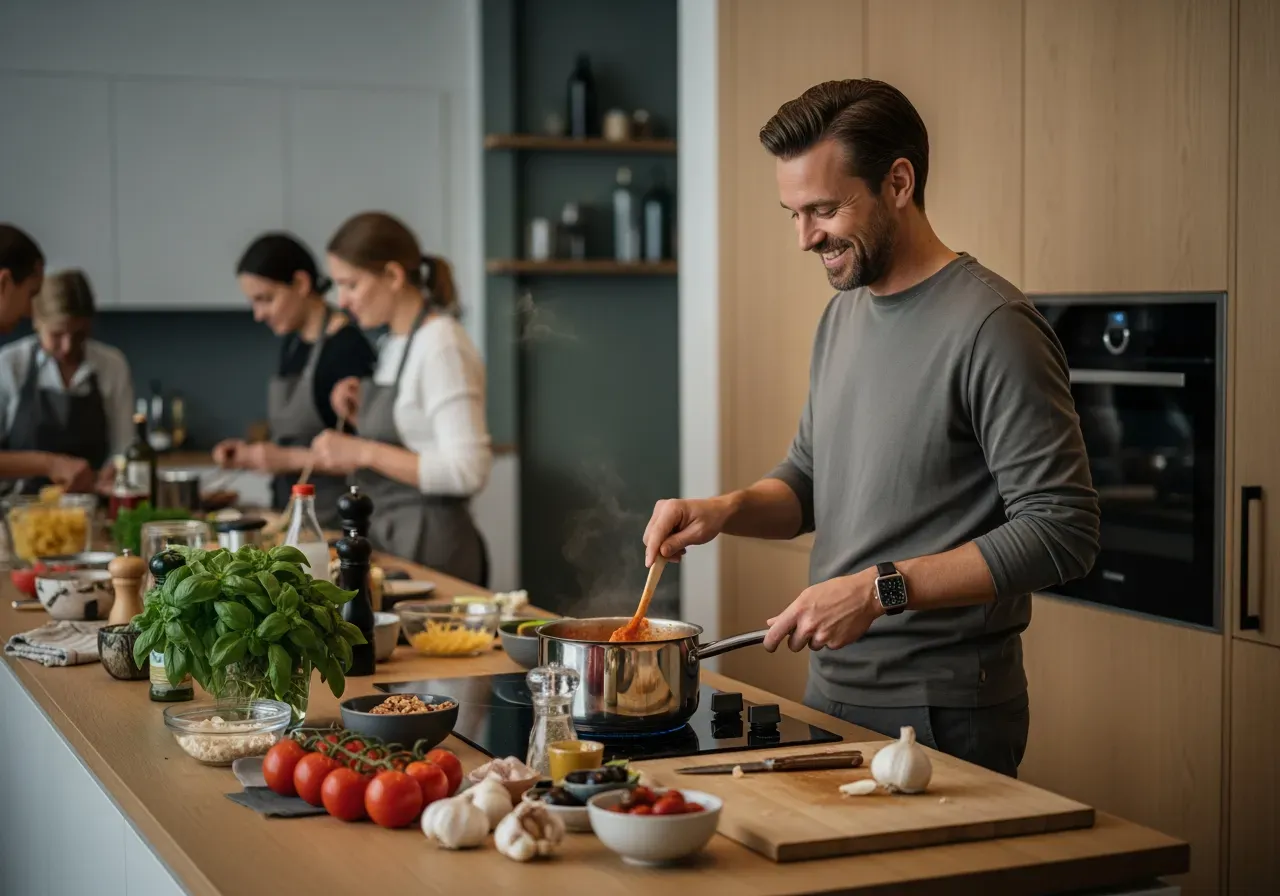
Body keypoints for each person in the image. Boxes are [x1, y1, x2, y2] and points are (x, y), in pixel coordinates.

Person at [641, 80, 1100, 777]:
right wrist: (724, 511)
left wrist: (879, 588)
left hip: (944, 712)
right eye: (793, 212)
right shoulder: (844, 315)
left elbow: (1063, 531)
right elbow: (810, 483)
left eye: (824, 209)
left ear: (898, 182)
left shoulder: (992, 328)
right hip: (829, 691)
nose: (805, 237)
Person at [310, 212, 491, 584]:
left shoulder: (442, 344)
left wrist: (361, 451)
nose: (342, 300)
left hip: (433, 543)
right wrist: (361, 410)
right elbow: (416, 432)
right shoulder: (396, 342)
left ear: (393, 276)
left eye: (352, 285)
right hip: (394, 534)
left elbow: (468, 470)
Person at [213, 233, 376, 527]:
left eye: (266, 299)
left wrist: (282, 458)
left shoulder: (348, 349)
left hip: (335, 522)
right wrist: (251, 454)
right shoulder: (293, 344)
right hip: (290, 514)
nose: (258, 314)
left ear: (301, 284)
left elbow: (367, 457)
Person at [0, 240, 113, 495]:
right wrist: (50, 464)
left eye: (79, 334)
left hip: (93, 502)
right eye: (57, 334)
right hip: (18, 509)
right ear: (36, 321)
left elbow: (123, 449)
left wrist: (113, 471)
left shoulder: (110, 365)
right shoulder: (10, 364)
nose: (67, 346)